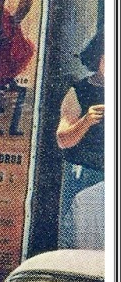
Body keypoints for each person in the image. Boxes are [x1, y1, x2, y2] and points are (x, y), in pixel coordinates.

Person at [54, 34, 104, 250]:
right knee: (81, 241)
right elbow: (62, 139)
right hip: (84, 176)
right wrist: (85, 122)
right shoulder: (79, 91)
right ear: (97, 57)